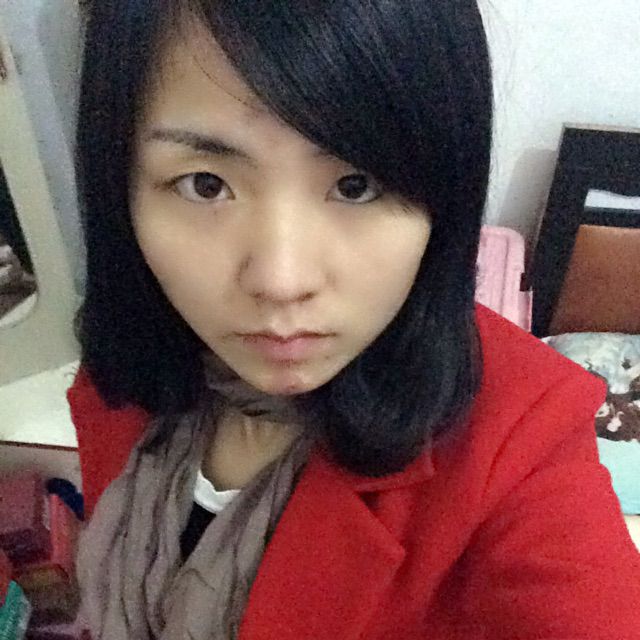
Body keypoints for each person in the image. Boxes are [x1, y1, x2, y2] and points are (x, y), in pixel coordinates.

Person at [67, 1, 640, 639]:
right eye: (205, 184)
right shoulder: (128, 362)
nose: (281, 281)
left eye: (355, 185)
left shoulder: (521, 438)